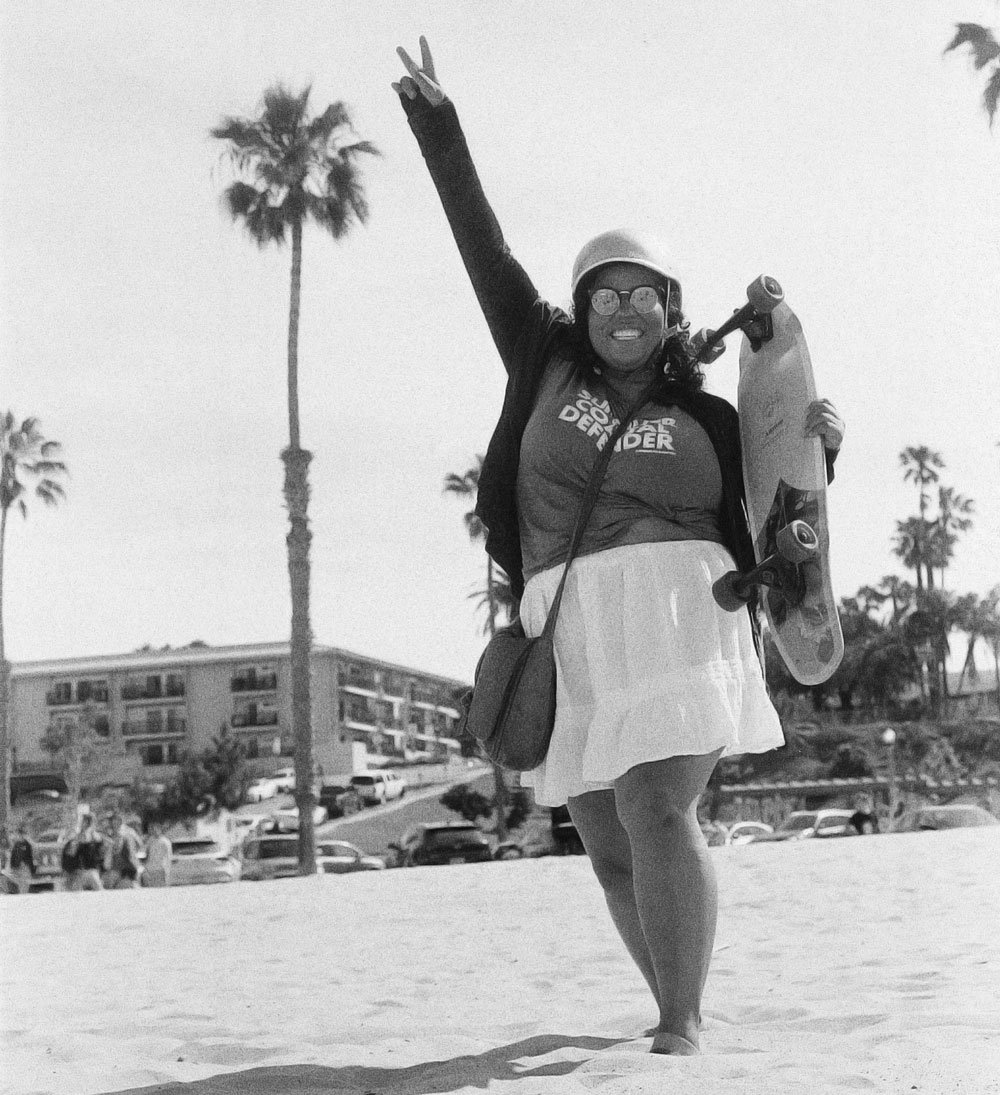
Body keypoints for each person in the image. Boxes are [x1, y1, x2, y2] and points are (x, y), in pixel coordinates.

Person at [393, 38, 845, 1057]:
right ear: (582, 305)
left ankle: (681, 1025)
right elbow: (485, 252)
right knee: (603, 841)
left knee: (653, 803)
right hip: (570, 622)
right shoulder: (543, 359)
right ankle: (670, 999)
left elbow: (773, 505)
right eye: (606, 292)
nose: (624, 308)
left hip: (687, 611)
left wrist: (822, 453)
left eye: (645, 293)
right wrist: (437, 124)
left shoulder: (707, 414)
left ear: (671, 308)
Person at [103, 813, 142, 889]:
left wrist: (132, 851)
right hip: (115, 865)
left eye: (116, 820)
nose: (114, 823)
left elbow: (139, 844)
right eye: (113, 820)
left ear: (120, 821)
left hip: (127, 864)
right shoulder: (110, 833)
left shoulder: (128, 831)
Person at [70, 814, 106, 891]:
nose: (85, 824)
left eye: (88, 822)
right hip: (80, 872)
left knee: (93, 877)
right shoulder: (77, 838)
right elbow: (72, 854)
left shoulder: (97, 837)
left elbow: (102, 855)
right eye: (84, 821)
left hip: (93, 871)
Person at [8, 825, 36, 895]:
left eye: (20, 834)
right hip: (17, 866)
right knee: (19, 881)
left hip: (25, 866)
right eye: (17, 834)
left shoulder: (27, 844)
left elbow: (30, 856)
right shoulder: (16, 845)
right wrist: (12, 865)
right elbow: (13, 856)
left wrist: (32, 868)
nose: (18, 836)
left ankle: (23, 895)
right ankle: (22, 894)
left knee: (25, 883)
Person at [142, 822, 172, 888]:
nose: (155, 830)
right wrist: (145, 869)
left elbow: (168, 857)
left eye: (157, 828)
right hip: (150, 870)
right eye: (153, 828)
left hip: (160, 870)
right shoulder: (150, 840)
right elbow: (146, 854)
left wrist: (167, 871)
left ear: (160, 829)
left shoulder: (165, 842)